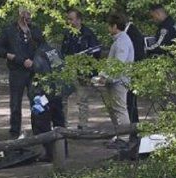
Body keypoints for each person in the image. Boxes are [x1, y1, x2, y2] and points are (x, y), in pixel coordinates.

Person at [0, 7, 44, 139]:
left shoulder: (35, 30)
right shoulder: (9, 30)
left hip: (33, 71)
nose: (28, 16)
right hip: (17, 71)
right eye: (26, 13)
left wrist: (36, 61)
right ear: (20, 13)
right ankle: (14, 132)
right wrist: (11, 56)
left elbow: (43, 47)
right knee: (15, 103)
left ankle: (38, 132)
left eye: (30, 13)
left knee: (37, 101)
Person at [95, 14, 134, 148]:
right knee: (114, 109)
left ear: (115, 26)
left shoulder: (122, 41)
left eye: (109, 25)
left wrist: (104, 76)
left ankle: (124, 138)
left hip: (120, 81)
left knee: (120, 109)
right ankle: (119, 135)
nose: (108, 28)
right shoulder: (118, 40)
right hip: (114, 80)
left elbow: (118, 63)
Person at [60, 8, 101, 129]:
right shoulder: (67, 33)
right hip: (69, 69)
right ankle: (62, 124)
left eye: (71, 19)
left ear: (79, 20)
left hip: (82, 71)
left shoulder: (88, 33)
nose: (69, 21)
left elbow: (96, 53)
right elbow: (63, 51)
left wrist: (89, 71)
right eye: (68, 19)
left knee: (82, 100)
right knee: (62, 97)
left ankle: (83, 125)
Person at [122, 12, 146, 124]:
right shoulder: (130, 32)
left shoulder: (132, 33)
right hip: (131, 71)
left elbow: (137, 54)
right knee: (129, 102)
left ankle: (133, 129)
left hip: (133, 72)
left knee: (130, 102)